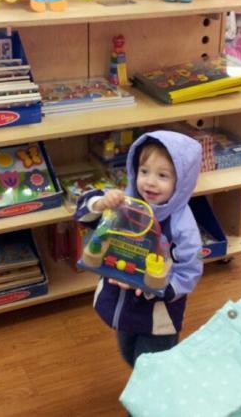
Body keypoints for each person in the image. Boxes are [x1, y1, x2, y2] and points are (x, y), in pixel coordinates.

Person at [75, 131, 204, 368]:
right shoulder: (124, 202)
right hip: (121, 307)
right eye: (144, 171)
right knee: (129, 355)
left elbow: (190, 271)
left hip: (157, 318)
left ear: (181, 182)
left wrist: (152, 287)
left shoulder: (182, 226)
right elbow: (83, 213)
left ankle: (153, 390)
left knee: (152, 369)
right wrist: (102, 203)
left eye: (162, 175)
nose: (150, 182)